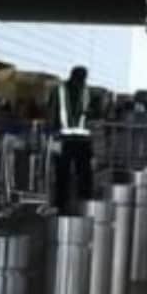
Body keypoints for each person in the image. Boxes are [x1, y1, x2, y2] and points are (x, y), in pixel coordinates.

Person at [51, 66, 93, 213]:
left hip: (64, 139)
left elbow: (52, 112)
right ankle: (84, 202)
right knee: (83, 173)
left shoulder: (60, 90)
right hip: (79, 141)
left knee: (63, 173)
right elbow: (91, 114)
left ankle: (61, 203)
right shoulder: (85, 91)